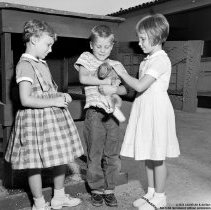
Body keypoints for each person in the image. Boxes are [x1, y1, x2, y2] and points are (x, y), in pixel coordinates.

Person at [5, 19, 84, 210]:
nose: (50, 49)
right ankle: (39, 203)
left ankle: (58, 197)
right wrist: (53, 101)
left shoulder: (41, 62)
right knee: (34, 164)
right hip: (34, 121)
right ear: (33, 39)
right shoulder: (25, 65)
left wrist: (62, 95)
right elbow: (25, 99)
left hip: (51, 120)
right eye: (48, 44)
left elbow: (47, 91)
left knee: (61, 157)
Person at [112, 14, 180, 210]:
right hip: (145, 110)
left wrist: (122, 72)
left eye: (142, 39)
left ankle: (160, 196)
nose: (139, 43)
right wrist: (115, 88)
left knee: (157, 156)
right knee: (149, 155)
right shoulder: (146, 61)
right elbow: (133, 88)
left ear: (156, 37)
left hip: (157, 112)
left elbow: (140, 85)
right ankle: (151, 192)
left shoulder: (161, 60)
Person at [74, 25, 127, 207]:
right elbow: (83, 78)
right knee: (94, 153)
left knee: (112, 153)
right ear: (91, 45)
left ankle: (109, 189)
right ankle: (96, 189)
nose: (102, 51)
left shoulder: (116, 65)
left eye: (106, 47)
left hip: (112, 114)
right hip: (94, 113)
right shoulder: (86, 58)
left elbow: (124, 88)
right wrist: (104, 81)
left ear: (112, 47)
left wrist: (114, 89)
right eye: (98, 46)